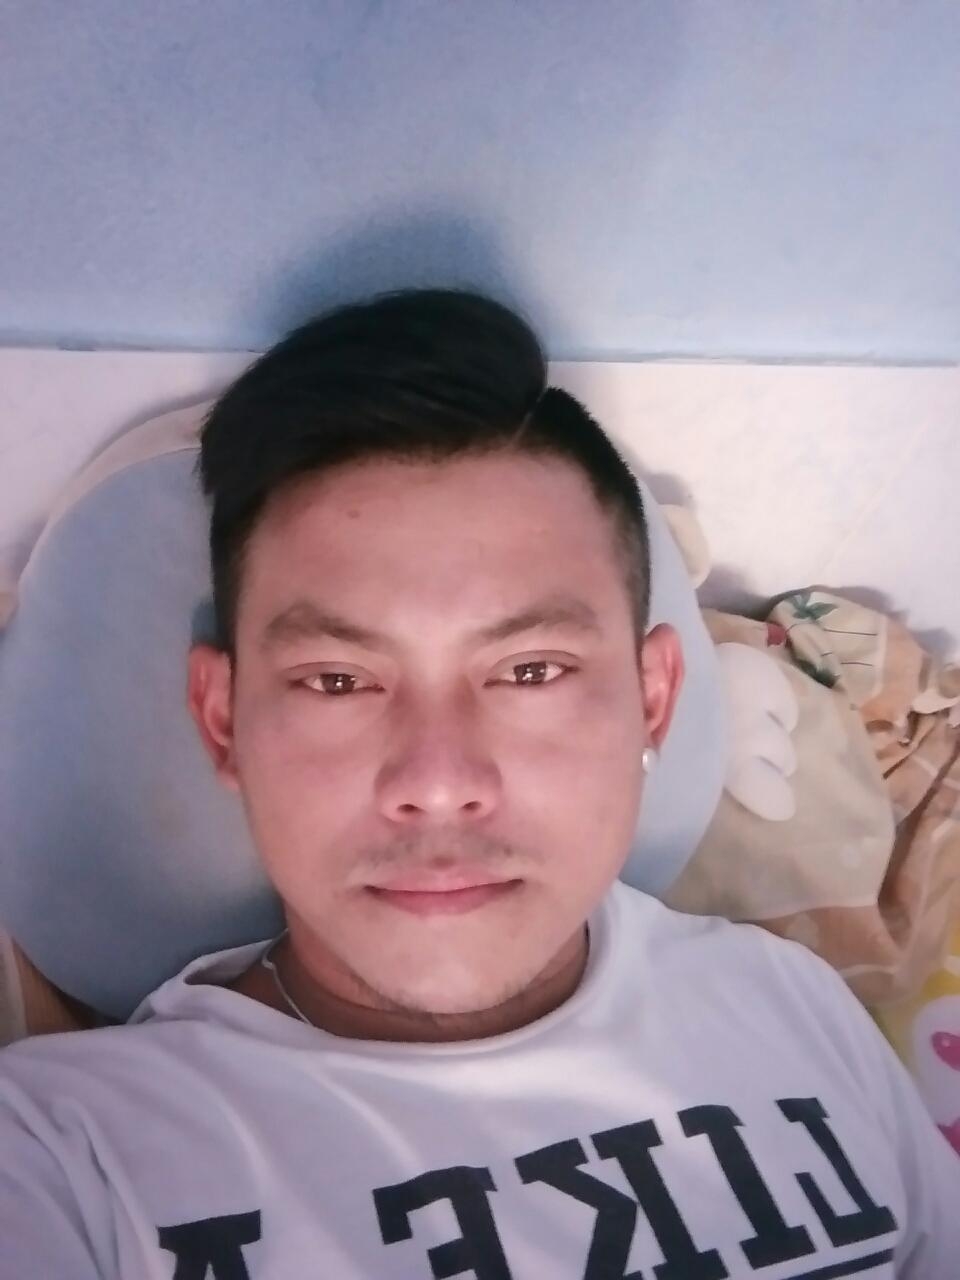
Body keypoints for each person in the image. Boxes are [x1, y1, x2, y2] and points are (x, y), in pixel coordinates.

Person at [0, 289, 957, 1280]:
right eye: (338, 681)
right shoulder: (64, 1157)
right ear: (224, 722)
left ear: (653, 701)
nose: (439, 781)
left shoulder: (789, 1001)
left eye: (530, 671)